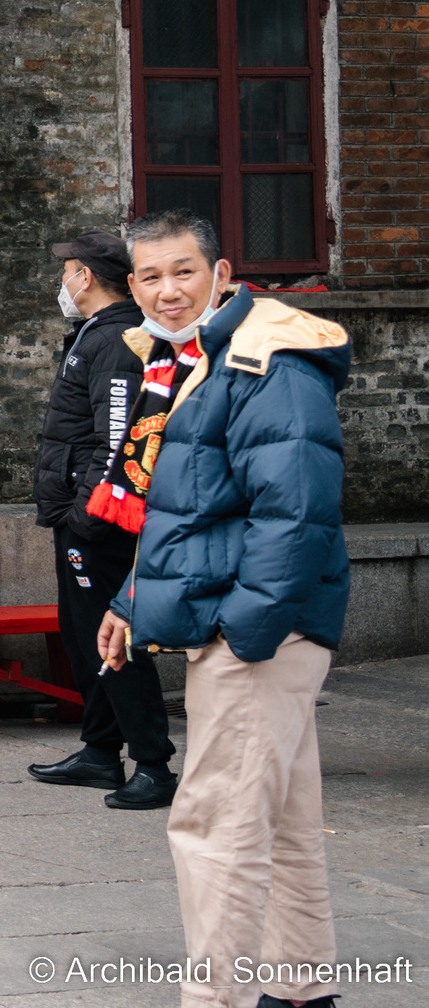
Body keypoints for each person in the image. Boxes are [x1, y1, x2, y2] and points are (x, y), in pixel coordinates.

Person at [99, 211, 350, 1008]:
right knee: (280, 820)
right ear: (132, 284)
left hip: (256, 631)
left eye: (182, 271)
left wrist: (249, 631)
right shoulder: (192, 359)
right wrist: (131, 600)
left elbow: (298, 513)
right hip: (248, 620)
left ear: (222, 272)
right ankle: (301, 987)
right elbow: (187, 511)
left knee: (212, 827)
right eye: (149, 276)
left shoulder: (266, 361)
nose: (167, 291)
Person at [27, 228, 176, 809]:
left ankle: (154, 765)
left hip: (97, 521)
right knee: (85, 637)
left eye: (66, 271)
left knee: (113, 641)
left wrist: (85, 516)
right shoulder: (94, 335)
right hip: (80, 516)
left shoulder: (115, 341)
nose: (62, 282)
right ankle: (98, 751)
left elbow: (117, 440)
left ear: (84, 276)